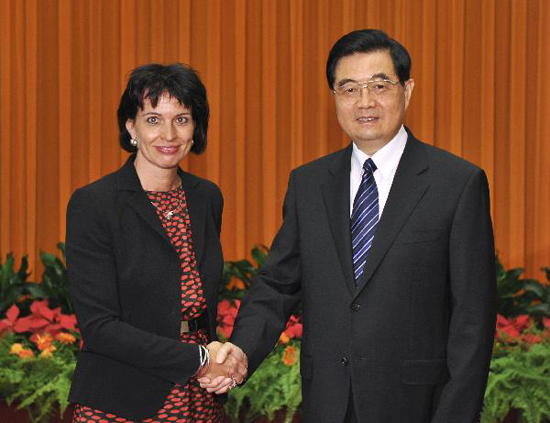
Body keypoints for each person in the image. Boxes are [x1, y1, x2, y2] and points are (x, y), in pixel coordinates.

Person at [205, 29, 496, 422]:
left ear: (407, 90)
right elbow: (277, 286)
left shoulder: (457, 184)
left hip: (417, 406)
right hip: (328, 402)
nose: (365, 102)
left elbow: (472, 320)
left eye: (380, 85)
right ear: (335, 98)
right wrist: (240, 351)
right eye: (349, 89)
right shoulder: (308, 184)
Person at [66, 63, 246, 423]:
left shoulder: (206, 197)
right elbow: (99, 327)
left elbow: (198, 306)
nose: (169, 133)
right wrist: (198, 361)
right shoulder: (95, 204)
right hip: (123, 400)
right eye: (153, 119)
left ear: (196, 128)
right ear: (131, 127)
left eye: (182, 119)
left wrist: (220, 360)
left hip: (201, 398)